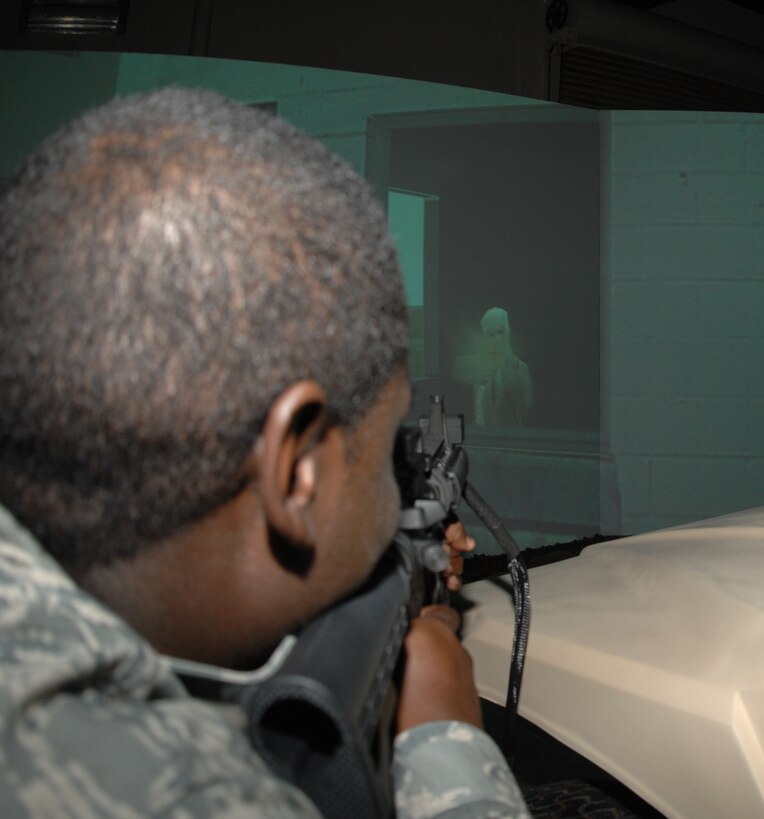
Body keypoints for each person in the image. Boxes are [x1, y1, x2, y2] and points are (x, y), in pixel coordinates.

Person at [0, 88, 530, 818]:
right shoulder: (190, 796)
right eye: (385, 457)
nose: (393, 490)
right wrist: (446, 741)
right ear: (296, 468)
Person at [474, 307, 533, 427]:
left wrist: (508, 364)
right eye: (491, 334)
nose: (497, 338)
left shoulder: (520, 368)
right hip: (484, 441)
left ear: (508, 332)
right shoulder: (482, 369)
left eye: (500, 332)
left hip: (510, 441)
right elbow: (478, 412)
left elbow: (525, 407)